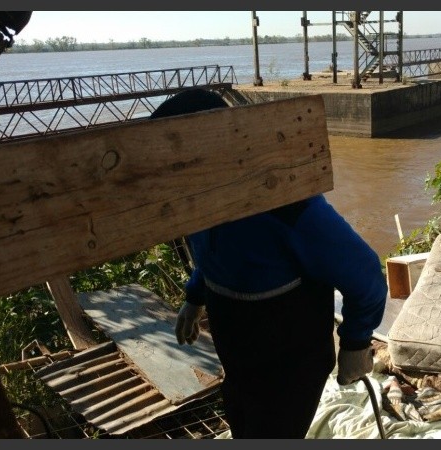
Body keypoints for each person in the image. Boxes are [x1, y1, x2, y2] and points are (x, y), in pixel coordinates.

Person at [151, 88, 388, 439]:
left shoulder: (289, 209)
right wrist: (195, 295)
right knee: (241, 418)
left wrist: (355, 343)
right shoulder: (195, 200)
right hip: (236, 343)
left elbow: (366, 276)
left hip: (288, 355)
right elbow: (214, 250)